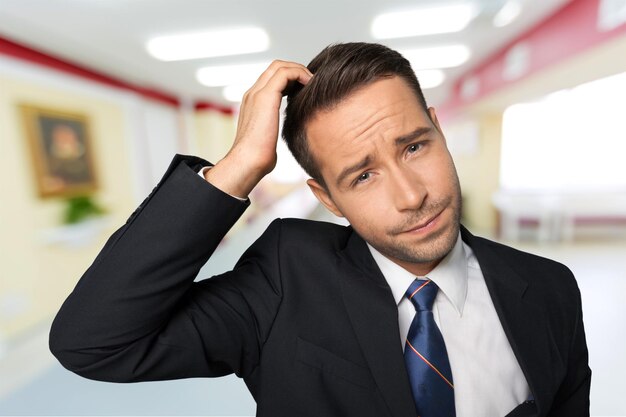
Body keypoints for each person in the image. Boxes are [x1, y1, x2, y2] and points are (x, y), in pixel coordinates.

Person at [49, 43, 591, 417]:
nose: (412, 195)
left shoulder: (549, 288)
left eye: (414, 146)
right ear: (327, 199)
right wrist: (239, 165)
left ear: (438, 128)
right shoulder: (286, 275)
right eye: (362, 176)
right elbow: (94, 344)